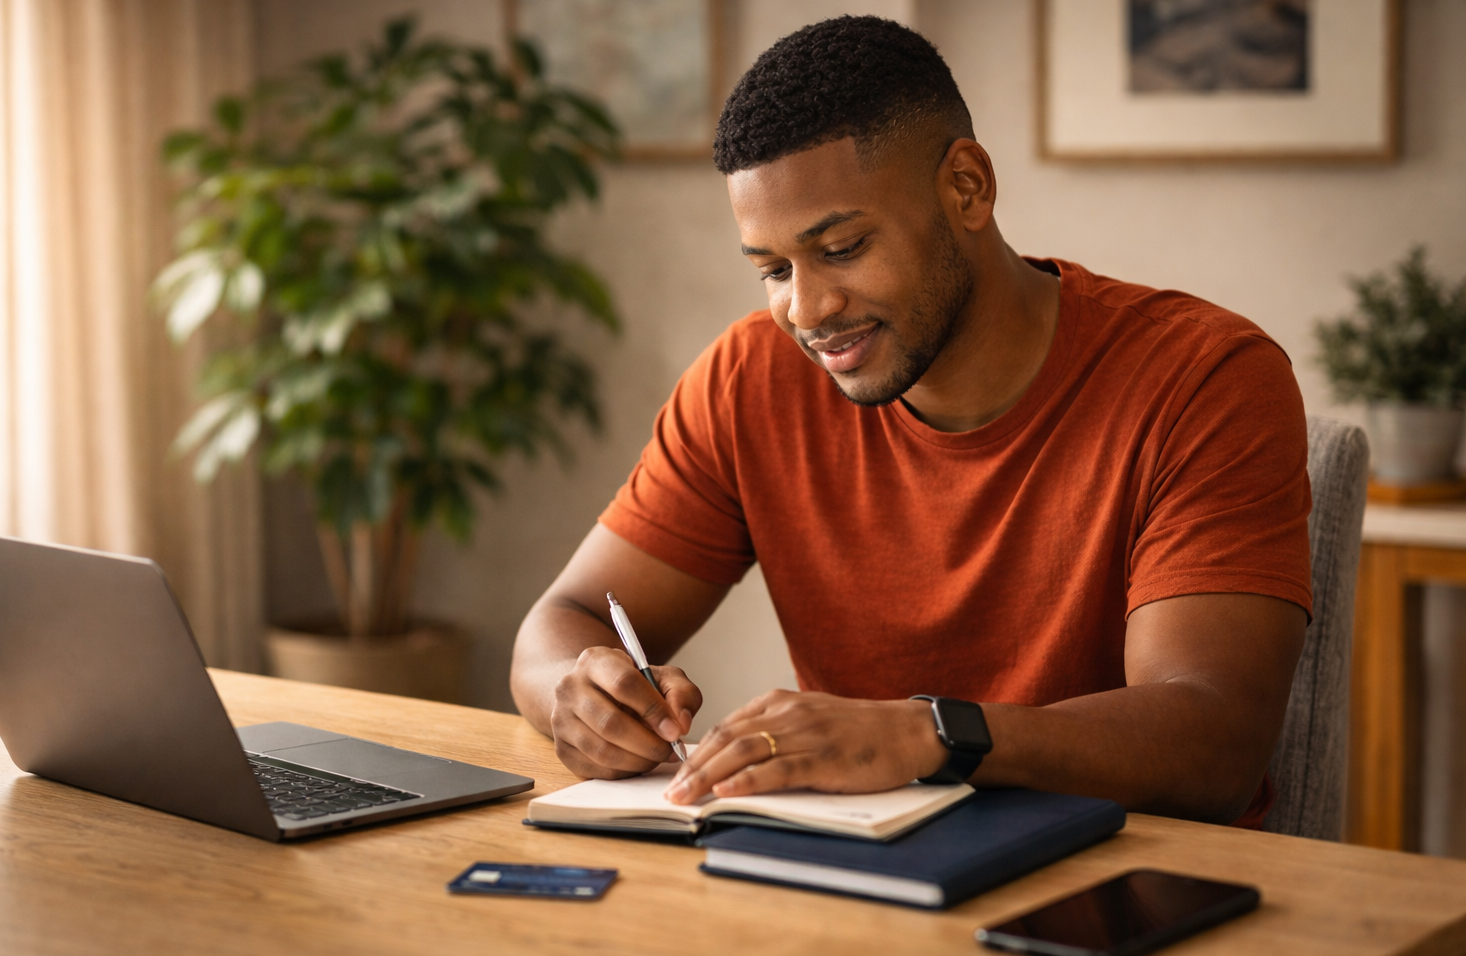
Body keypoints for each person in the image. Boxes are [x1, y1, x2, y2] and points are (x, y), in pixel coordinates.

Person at [509, 16, 1310, 827]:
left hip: (1133, 882)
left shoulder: (1203, 378)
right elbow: (560, 620)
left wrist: (932, 733)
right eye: (775, 269)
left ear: (966, 187)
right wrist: (576, 694)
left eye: (845, 247)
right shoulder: (751, 378)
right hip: (863, 879)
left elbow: (1216, 742)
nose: (809, 309)